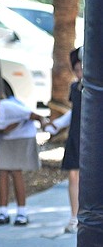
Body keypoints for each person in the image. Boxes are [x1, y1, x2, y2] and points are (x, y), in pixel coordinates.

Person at [0, 82, 48, 226]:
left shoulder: (9, 108)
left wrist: (44, 122)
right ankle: (3, 212)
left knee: (16, 171)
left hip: (22, 134)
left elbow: (32, 114)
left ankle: (22, 213)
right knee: (1, 172)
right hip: (4, 137)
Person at [45, 46, 83, 233]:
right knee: (74, 175)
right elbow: (74, 113)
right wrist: (56, 125)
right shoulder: (75, 88)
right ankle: (74, 216)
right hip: (76, 136)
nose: (79, 73)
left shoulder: (96, 88)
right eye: (76, 69)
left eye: (82, 69)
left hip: (92, 138)